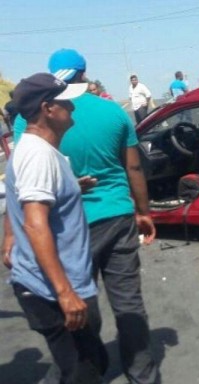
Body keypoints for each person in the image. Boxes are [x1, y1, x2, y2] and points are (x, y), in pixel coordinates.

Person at [13, 49, 160, 383]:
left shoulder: (26, 121)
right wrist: (143, 211)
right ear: (83, 73)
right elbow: (133, 166)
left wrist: (10, 234)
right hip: (115, 216)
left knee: (83, 306)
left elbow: (21, 180)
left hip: (69, 227)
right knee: (128, 304)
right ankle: (140, 374)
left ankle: (86, 364)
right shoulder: (112, 112)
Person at [5, 73, 108, 382]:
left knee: (88, 363)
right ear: (48, 109)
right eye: (67, 103)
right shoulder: (38, 156)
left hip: (51, 283)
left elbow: (27, 199)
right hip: (52, 290)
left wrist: (71, 188)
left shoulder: (39, 151)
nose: (73, 108)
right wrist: (65, 293)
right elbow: (36, 225)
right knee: (83, 371)